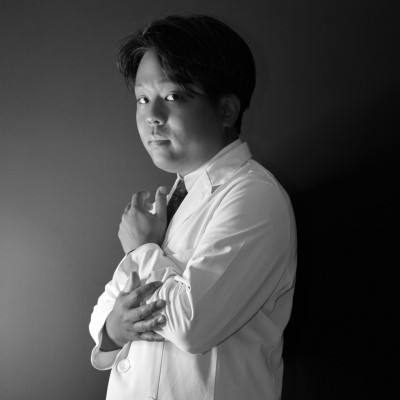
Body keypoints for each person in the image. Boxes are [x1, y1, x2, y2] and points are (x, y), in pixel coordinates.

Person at [89, 14, 297, 400]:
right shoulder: (170, 201)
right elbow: (104, 314)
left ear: (226, 110)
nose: (152, 116)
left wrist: (142, 249)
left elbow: (191, 325)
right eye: (142, 99)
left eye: (172, 96)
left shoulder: (254, 197)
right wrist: (114, 330)